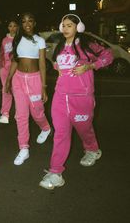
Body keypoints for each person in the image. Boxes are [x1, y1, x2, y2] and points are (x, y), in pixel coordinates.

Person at [39, 14, 113, 190]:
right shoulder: (59, 48)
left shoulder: (86, 46)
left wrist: (90, 66)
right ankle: (55, 172)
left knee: (84, 128)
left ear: (78, 28)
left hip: (81, 97)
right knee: (61, 134)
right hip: (60, 97)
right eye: (63, 25)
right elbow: (58, 67)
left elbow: (108, 55)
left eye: (69, 25)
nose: (65, 28)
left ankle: (92, 149)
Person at [5, 12, 51, 166]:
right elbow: (14, 61)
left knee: (37, 112)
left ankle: (45, 127)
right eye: (24, 22)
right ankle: (23, 148)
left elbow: (43, 65)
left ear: (34, 23)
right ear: (21, 24)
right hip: (18, 80)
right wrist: (8, 80)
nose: (27, 24)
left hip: (34, 80)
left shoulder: (40, 40)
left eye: (30, 21)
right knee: (21, 115)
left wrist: (44, 87)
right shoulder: (17, 40)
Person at [0, 18, 18, 124]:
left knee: (17, 91)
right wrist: (1, 65)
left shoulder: (20, 39)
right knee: (5, 90)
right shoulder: (4, 39)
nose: (12, 28)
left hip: (16, 69)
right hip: (4, 69)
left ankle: (19, 113)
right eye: (10, 26)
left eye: (14, 25)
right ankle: (5, 114)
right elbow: (1, 53)